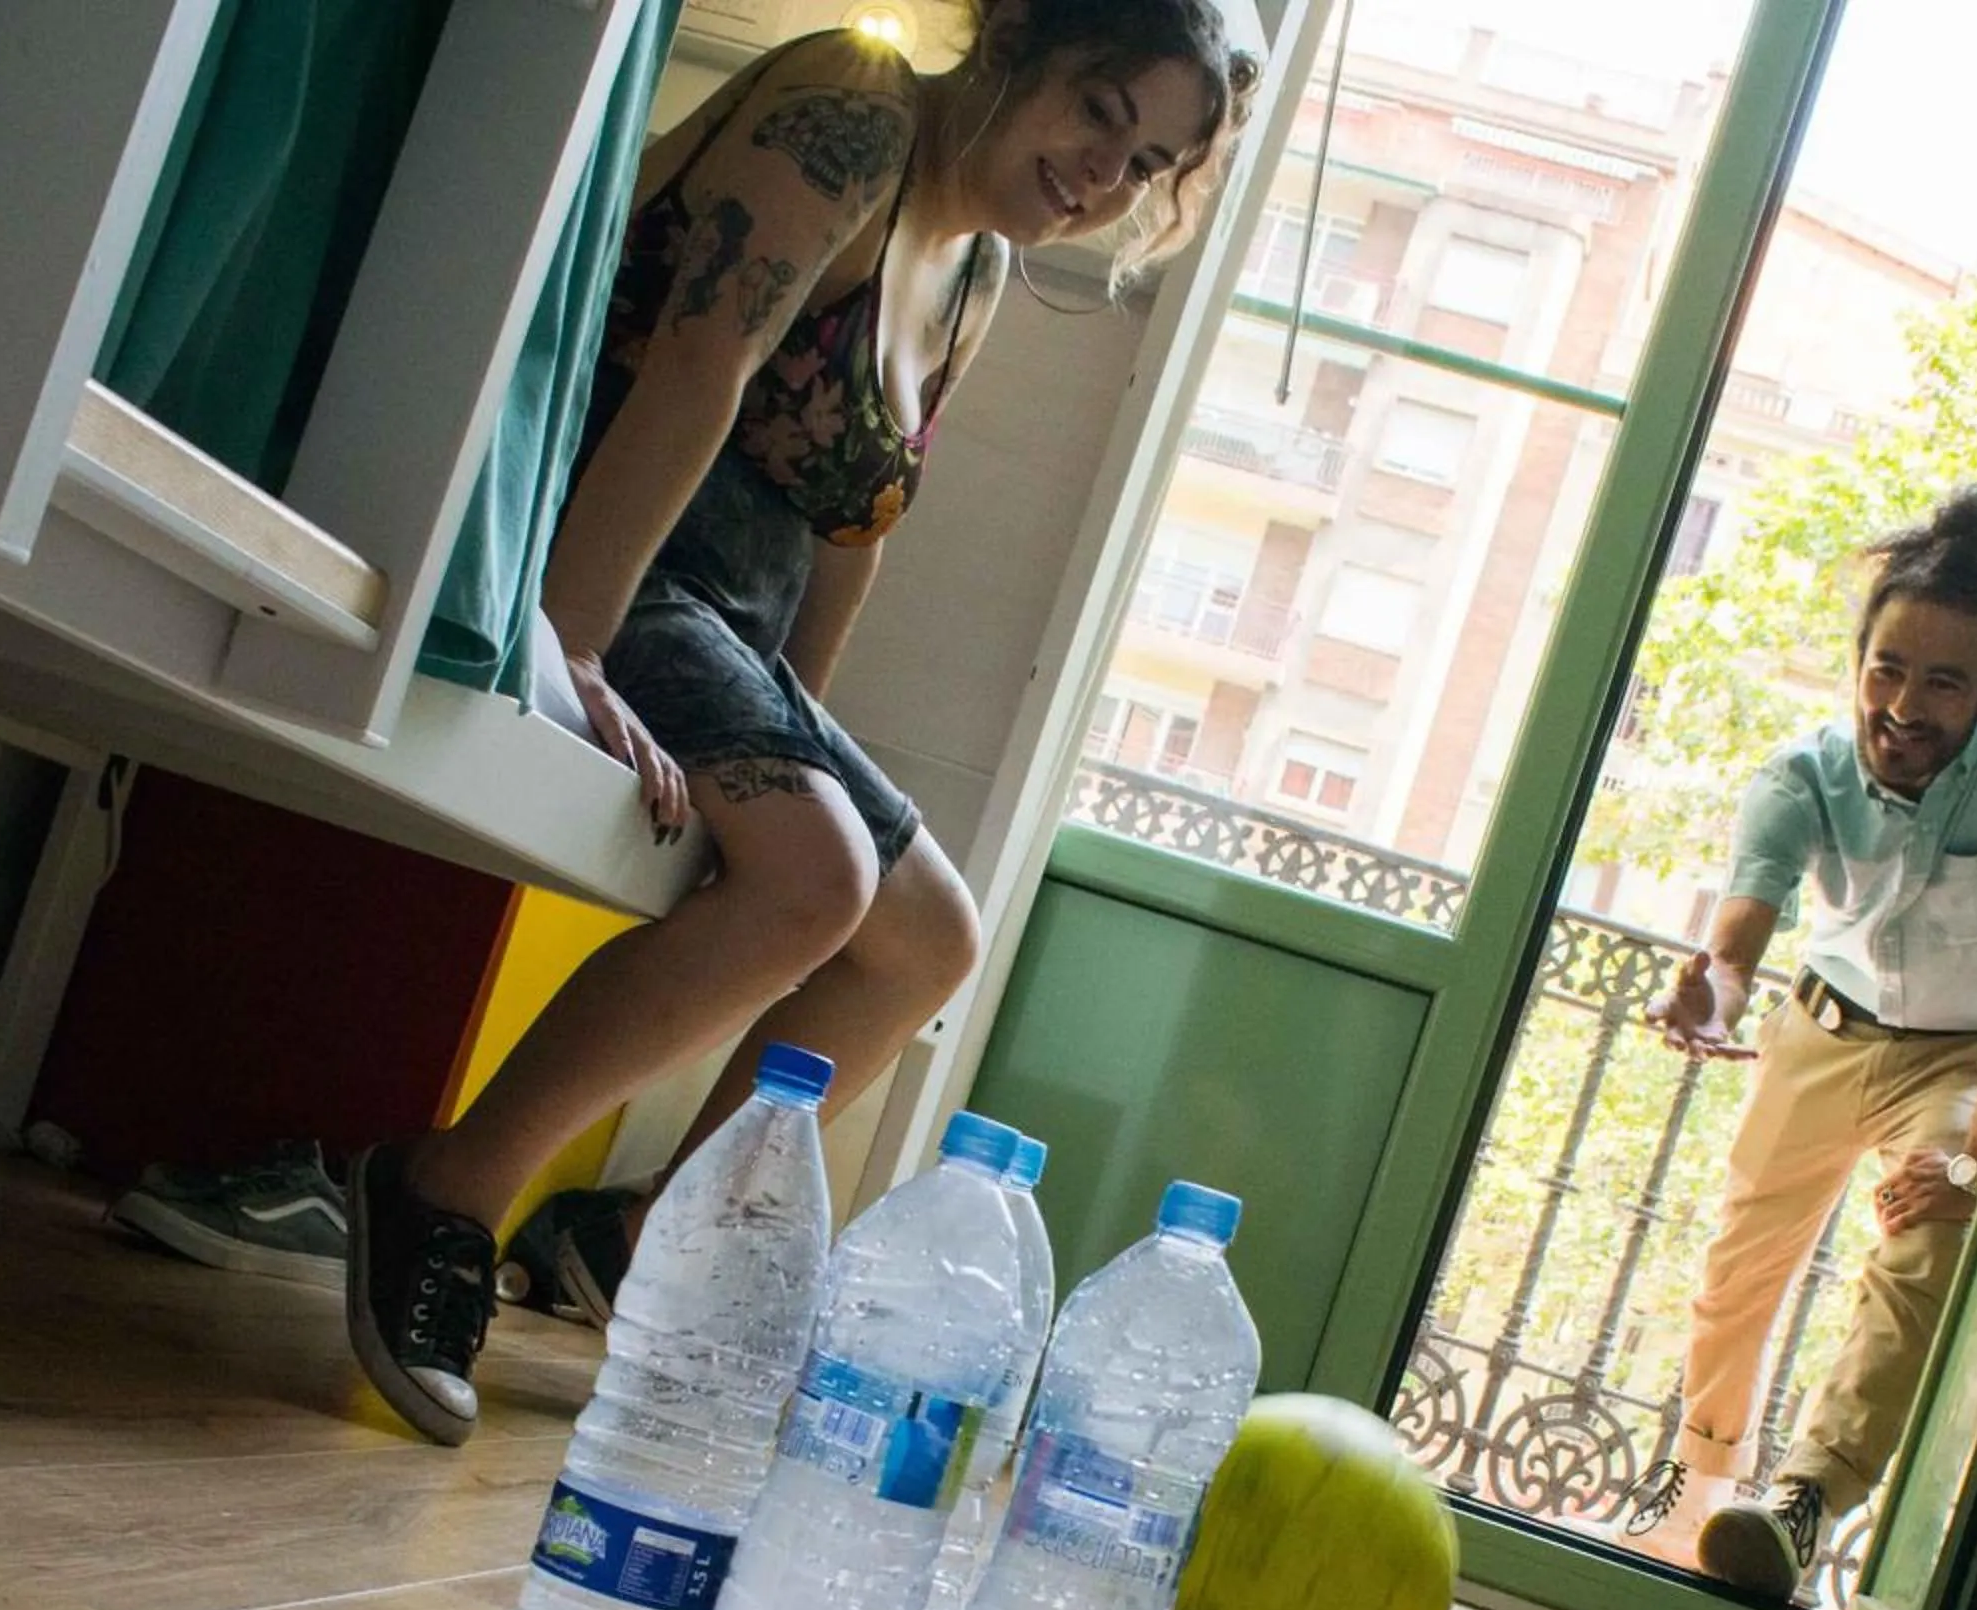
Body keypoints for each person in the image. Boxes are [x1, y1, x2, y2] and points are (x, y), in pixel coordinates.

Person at [111, 1, 1253, 1445]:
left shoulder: (977, 272)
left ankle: (649, 1245)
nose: (1106, 174)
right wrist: (571, 638)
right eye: (1100, 110)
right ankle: (442, 1189)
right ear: (1018, 36)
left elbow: (853, 531)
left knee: (927, 940)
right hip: (609, 541)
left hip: (723, 625)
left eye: (1145, 164)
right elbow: (694, 370)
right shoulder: (858, 111)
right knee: (816, 880)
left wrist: (795, 740)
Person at [1618, 487, 1977, 1600]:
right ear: (1859, 662)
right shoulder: (1804, 770)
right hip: (1824, 1028)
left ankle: (1804, 1501)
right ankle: (1696, 1482)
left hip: (1966, 1050)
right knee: (1739, 1264)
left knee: (1927, 1238)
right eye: (1887, 670)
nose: (1904, 705)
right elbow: (1741, 936)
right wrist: (1711, 999)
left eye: (1943, 683)